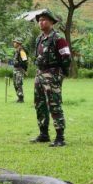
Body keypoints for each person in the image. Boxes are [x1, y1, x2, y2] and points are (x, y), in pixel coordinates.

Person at [30, 9, 71, 147]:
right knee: (39, 104)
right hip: (40, 73)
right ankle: (44, 134)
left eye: (44, 20)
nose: (41, 22)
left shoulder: (58, 38)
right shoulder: (39, 39)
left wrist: (60, 74)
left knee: (54, 104)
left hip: (53, 73)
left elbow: (66, 57)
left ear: (52, 22)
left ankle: (60, 137)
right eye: (39, 20)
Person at [11, 38, 29, 103]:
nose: (14, 43)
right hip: (15, 69)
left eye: (15, 42)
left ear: (18, 43)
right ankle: (19, 97)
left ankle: (21, 98)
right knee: (15, 83)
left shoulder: (21, 51)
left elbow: (25, 60)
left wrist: (25, 70)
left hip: (20, 69)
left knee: (19, 83)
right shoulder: (17, 50)